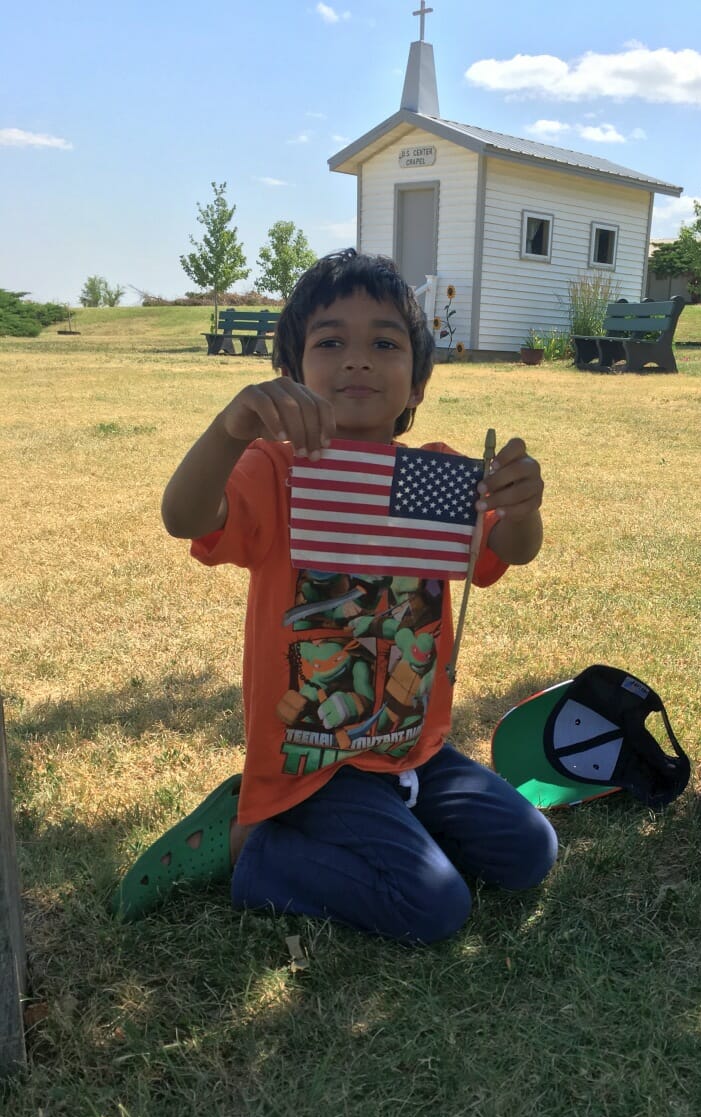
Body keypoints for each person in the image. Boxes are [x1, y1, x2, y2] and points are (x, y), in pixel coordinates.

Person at [112, 249, 557, 941]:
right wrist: (231, 431)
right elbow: (186, 518)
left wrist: (522, 508)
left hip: (415, 747)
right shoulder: (275, 470)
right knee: (433, 905)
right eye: (330, 342)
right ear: (290, 375)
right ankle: (249, 847)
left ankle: (389, 827)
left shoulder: (433, 476)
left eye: (384, 342)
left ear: (415, 384)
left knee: (532, 852)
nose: (358, 360)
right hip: (313, 760)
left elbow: (507, 550)